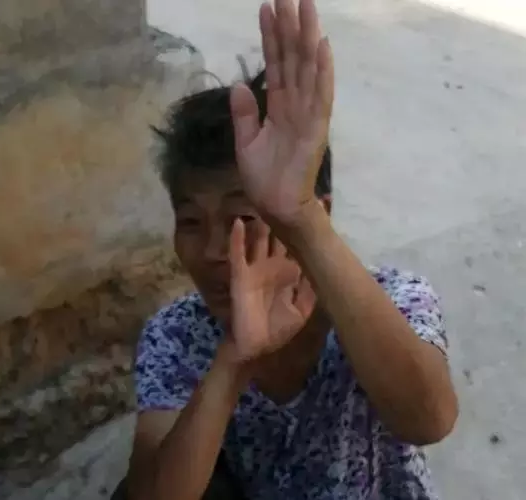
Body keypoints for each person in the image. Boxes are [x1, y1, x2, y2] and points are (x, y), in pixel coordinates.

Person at [114, 0, 458, 498]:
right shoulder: (178, 335)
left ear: (320, 211)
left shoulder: (395, 298)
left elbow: (429, 420)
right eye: (190, 222)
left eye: (242, 220)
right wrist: (234, 362)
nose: (214, 250)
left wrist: (299, 217)